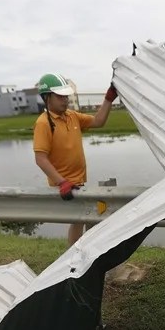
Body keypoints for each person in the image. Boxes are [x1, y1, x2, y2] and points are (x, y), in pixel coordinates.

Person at [33, 73, 118, 245]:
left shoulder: (72, 116)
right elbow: (40, 158)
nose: (65, 100)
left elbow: (98, 121)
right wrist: (61, 182)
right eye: (60, 97)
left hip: (77, 183)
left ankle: (81, 256)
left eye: (66, 96)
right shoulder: (43, 123)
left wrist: (109, 99)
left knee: (83, 218)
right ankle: (76, 259)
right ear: (47, 97)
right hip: (64, 186)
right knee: (82, 218)